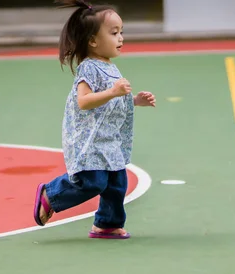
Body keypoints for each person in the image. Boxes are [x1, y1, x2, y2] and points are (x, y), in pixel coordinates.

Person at [33, 0, 156, 239]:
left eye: (122, 32)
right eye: (114, 33)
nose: (121, 38)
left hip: (109, 139)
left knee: (116, 183)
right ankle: (51, 194)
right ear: (92, 41)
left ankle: (107, 224)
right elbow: (84, 101)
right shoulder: (89, 68)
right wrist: (113, 92)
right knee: (92, 182)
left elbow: (110, 104)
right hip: (89, 140)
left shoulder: (110, 67)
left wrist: (134, 101)